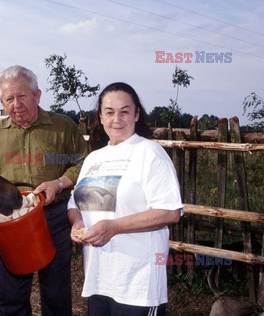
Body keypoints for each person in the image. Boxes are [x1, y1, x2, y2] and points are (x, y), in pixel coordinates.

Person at [0, 65, 88, 316]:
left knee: (56, 292)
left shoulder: (63, 127)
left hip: (52, 217)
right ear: (2, 102)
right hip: (7, 221)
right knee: (11, 294)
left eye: (22, 96)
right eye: (9, 99)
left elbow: (84, 164)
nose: (16, 104)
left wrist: (59, 183)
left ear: (37, 95)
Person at [67, 82, 183, 316]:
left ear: (137, 114)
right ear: (100, 116)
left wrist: (115, 227)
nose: (116, 119)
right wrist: (77, 223)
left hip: (138, 282)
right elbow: (74, 205)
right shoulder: (94, 159)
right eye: (109, 112)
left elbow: (170, 212)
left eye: (124, 111)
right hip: (99, 277)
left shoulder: (150, 153)